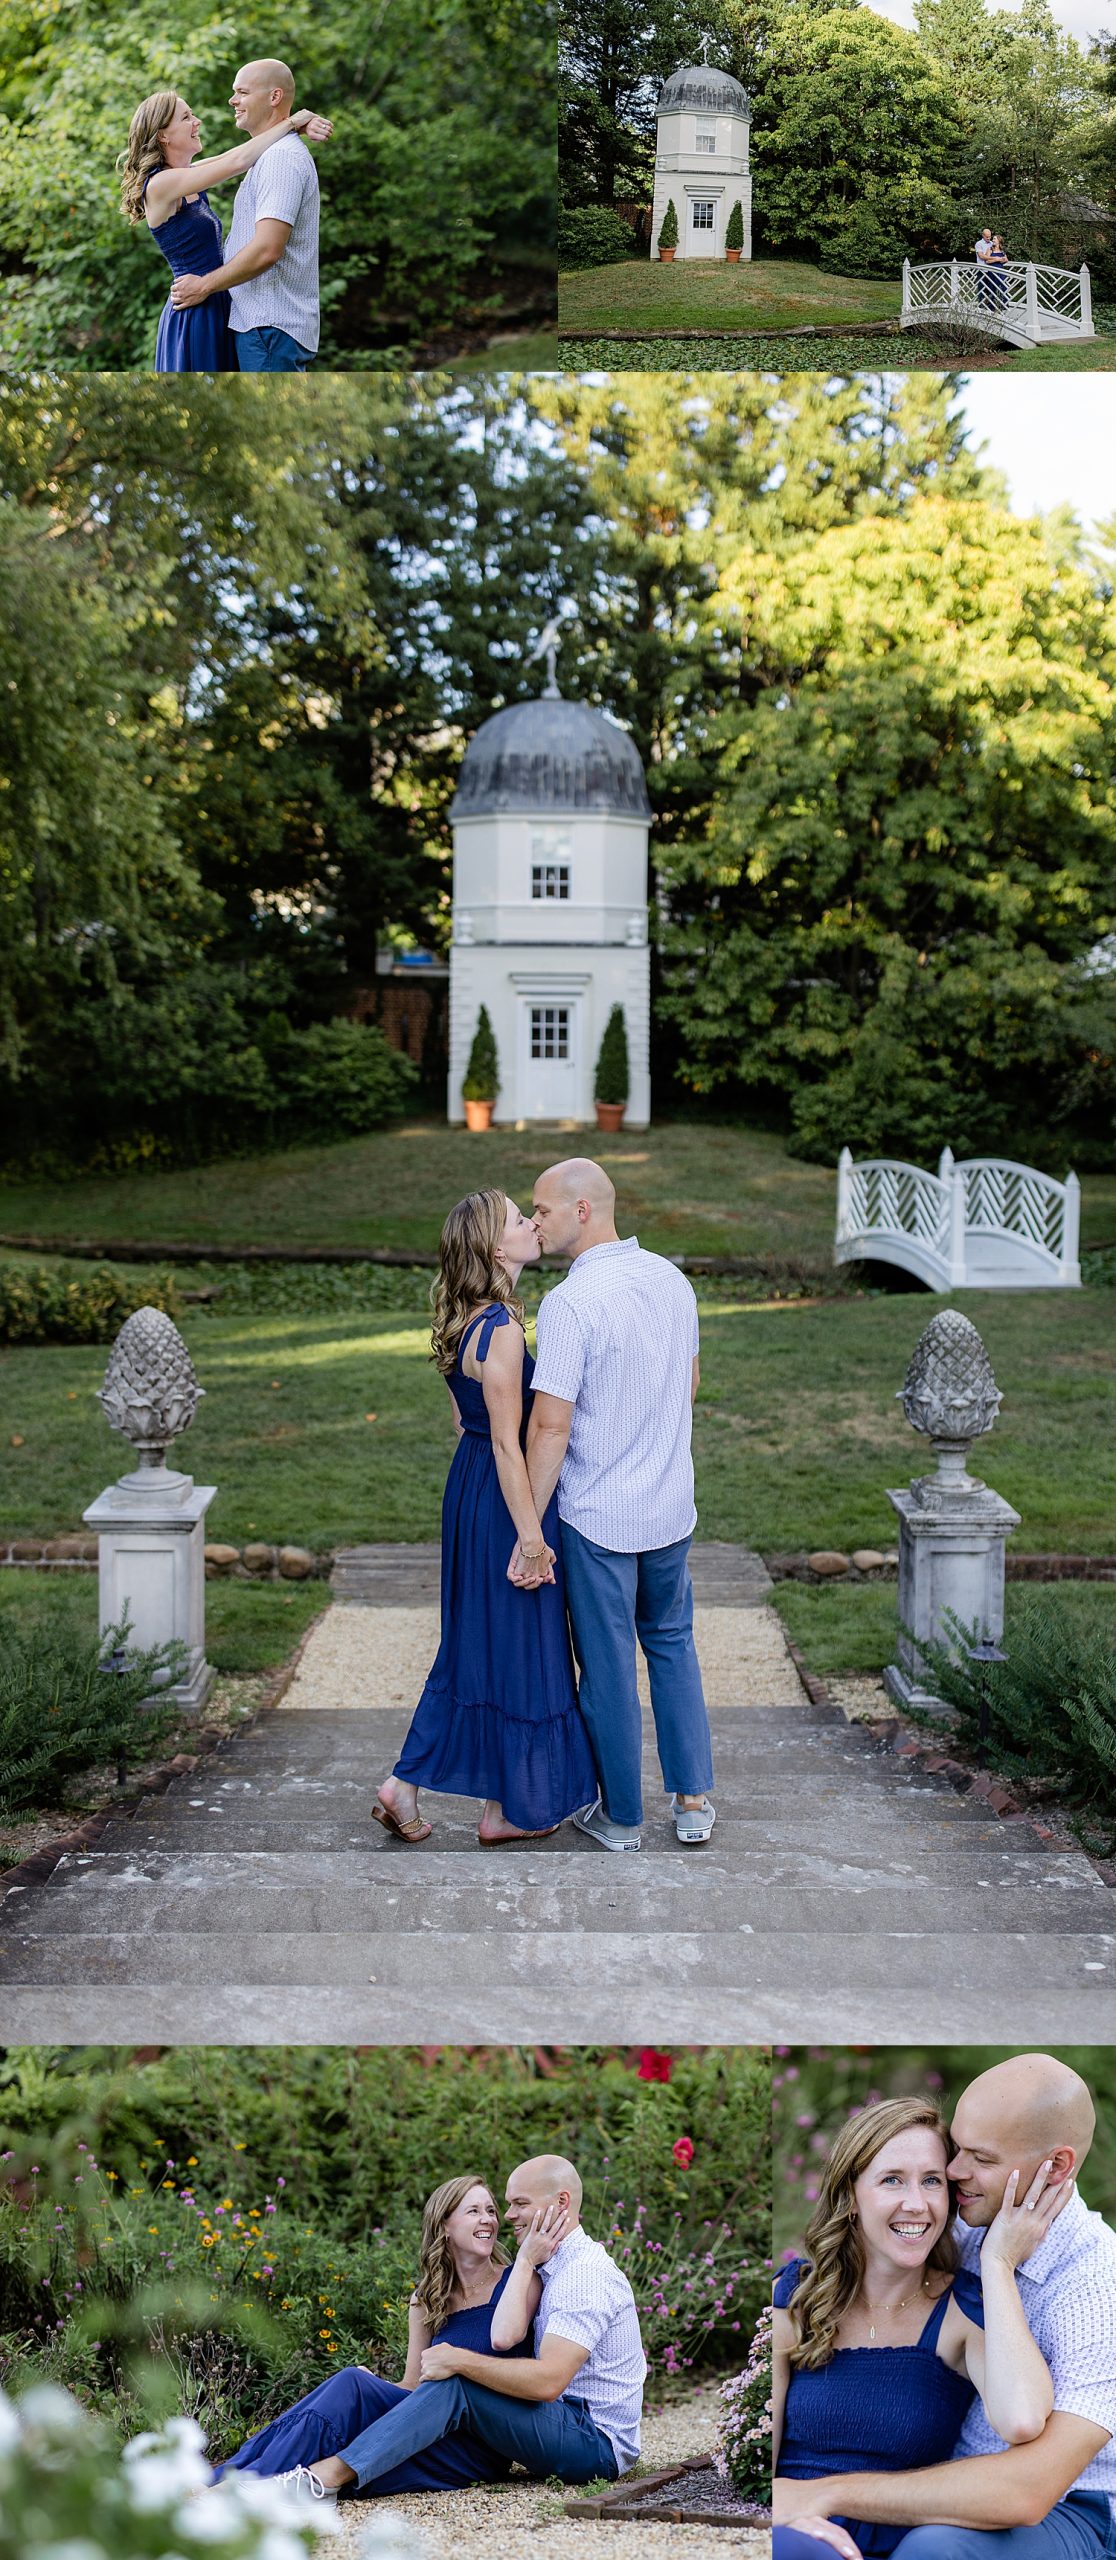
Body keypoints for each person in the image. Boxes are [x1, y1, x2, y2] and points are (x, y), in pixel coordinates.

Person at [776, 2056, 1116, 2560]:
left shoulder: (1099, 2288)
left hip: (1058, 2507)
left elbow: (1027, 2487)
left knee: (933, 2549)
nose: (952, 2176)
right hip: (931, 2493)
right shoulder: (956, 2219)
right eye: (956, 2150)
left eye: (979, 2157)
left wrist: (998, 2263)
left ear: (1058, 2166)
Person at [372, 1189, 597, 1845]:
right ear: (497, 1247)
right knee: (521, 1644)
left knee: (481, 1645)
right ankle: (452, 1794)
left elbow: (463, 1422)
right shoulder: (499, 1331)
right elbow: (506, 1440)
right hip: (506, 1498)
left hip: (471, 1488)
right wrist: (530, 1536)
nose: (533, 1223)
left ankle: (443, 1796)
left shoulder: (468, 1320)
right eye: (519, 1219)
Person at [521, 1158, 716, 1851]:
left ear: (581, 1211)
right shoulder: (672, 1279)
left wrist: (527, 1531)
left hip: (597, 1516)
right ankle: (693, 1802)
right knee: (671, 1643)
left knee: (605, 1667)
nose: (533, 1221)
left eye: (541, 1209)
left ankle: (622, 1817)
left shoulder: (570, 1304)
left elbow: (550, 1425)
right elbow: (688, 1385)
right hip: (669, 1508)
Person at [289, 2153, 646, 2501]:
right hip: (566, 2423)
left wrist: (458, 2360)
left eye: (519, 2203)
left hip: (597, 2444)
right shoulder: (553, 2267)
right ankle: (277, 2477)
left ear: (561, 2202)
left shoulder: (583, 2274)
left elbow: (548, 2381)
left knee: (458, 2380)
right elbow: (502, 2339)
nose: (508, 2216)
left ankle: (327, 2478)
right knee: (369, 2385)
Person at [216, 2174, 539, 2495]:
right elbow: (414, 2387)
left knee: (351, 2390)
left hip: (477, 2445)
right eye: (474, 2211)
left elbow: (508, 2344)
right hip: (423, 2431)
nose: (488, 2220)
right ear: (444, 2226)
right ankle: (239, 2477)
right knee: (351, 2385)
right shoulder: (428, 2299)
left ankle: (242, 2482)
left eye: (491, 2211)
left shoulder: (519, 2281)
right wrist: (376, 2387)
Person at [118, 87, 332, 373]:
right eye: (186, 117)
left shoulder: (187, 176)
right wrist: (292, 122)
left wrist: (293, 128)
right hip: (196, 308)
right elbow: (237, 162)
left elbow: (237, 155)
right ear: (163, 135)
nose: (197, 122)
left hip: (218, 298)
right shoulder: (161, 185)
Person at [168, 61, 324, 372]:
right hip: (262, 326)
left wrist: (204, 286)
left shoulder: (280, 159)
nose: (232, 100)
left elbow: (267, 249)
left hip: (269, 326)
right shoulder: (268, 154)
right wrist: (296, 121)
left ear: (274, 97)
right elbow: (216, 165)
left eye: (242, 92)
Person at [975, 228, 993, 309]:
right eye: (987, 237)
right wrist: (992, 258)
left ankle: (990, 306)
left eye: (990, 236)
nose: (989, 238)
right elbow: (981, 256)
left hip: (991, 269)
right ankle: (980, 307)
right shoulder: (979, 244)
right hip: (982, 269)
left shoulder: (992, 243)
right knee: (981, 289)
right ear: (983, 235)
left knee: (991, 288)